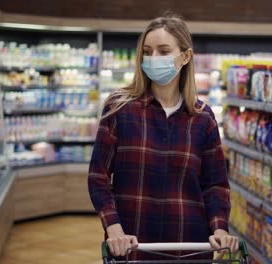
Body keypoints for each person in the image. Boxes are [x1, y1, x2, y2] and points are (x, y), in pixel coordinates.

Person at [88, 13, 237, 261]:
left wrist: (220, 228)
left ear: (185, 56)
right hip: (132, 246)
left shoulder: (203, 118)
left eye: (163, 51)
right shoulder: (120, 108)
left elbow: (215, 185)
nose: (152, 58)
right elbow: (98, 177)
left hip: (190, 246)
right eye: (147, 51)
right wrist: (113, 229)